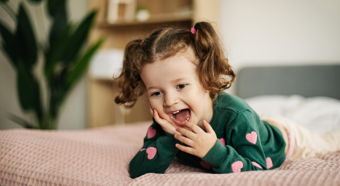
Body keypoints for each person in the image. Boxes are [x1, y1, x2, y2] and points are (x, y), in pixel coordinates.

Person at [114, 22, 340, 179]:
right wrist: (170, 138)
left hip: (286, 140)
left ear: (206, 80)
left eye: (181, 86)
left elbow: (258, 171)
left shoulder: (238, 117)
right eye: (156, 93)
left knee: (330, 141)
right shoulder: (165, 125)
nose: (169, 101)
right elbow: (138, 171)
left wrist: (213, 150)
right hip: (255, 128)